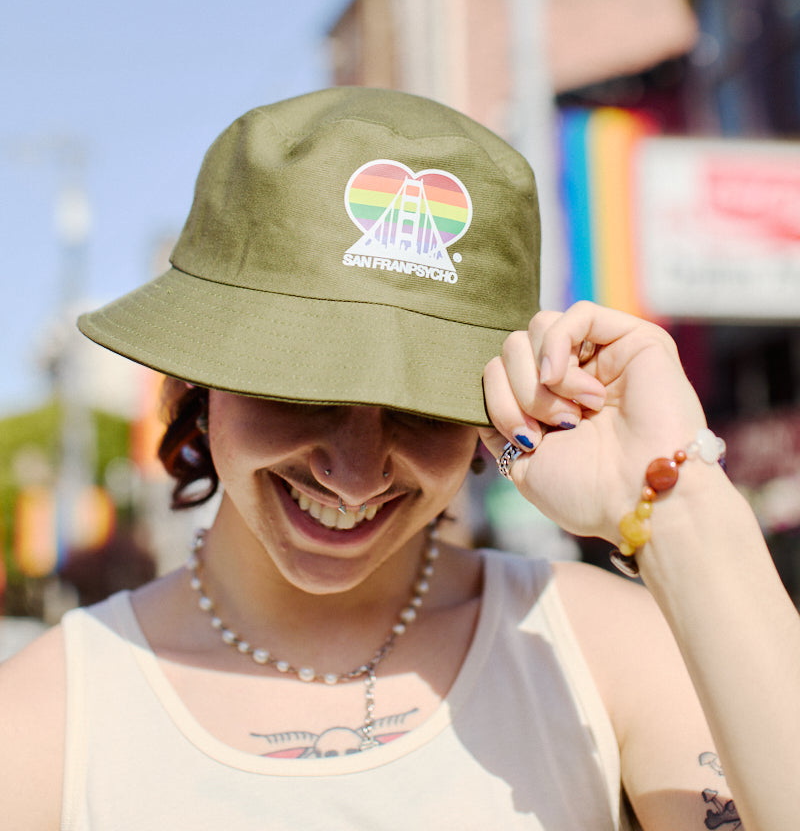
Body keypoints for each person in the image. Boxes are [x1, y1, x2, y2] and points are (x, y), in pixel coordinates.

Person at [1, 86, 797, 831]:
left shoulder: (594, 649)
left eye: (423, 403)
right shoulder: (48, 718)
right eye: (301, 385)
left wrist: (677, 502)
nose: (355, 472)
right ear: (202, 379)